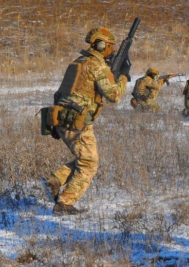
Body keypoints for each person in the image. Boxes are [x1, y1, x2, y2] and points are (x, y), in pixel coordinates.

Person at [43, 27, 129, 215]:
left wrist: (56, 125)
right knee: (89, 163)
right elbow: (114, 95)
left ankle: (56, 180)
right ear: (100, 45)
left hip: (62, 117)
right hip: (77, 121)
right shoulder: (97, 66)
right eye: (109, 46)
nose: (112, 50)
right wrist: (124, 76)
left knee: (85, 159)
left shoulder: (77, 63)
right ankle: (64, 204)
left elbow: (61, 93)